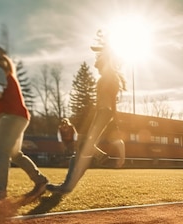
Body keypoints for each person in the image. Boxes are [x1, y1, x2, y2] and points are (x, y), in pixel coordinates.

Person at [0, 42, 48, 208]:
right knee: (14, 154)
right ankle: (41, 182)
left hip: (11, 116)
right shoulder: (3, 71)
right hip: (20, 116)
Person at [47, 31, 126, 194]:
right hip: (102, 113)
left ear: (104, 60)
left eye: (98, 60)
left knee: (84, 146)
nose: (96, 63)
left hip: (103, 113)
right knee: (81, 151)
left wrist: (106, 48)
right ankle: (67, 185)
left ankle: (99, 157)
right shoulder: (107, 76)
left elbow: (110, 102)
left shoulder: (109, 75)